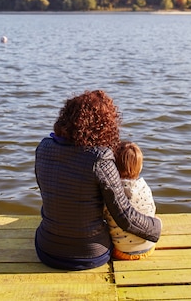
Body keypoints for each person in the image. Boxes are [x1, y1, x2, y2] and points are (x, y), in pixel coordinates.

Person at [34, 89, 162, 270]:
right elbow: (124, 216)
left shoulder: (43, 148)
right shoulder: (100, 158)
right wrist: (155, 227)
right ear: (104, 125)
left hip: (46, 250)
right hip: (90, 255)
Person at [104, 141, 157, 260]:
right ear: (140, 166)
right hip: (149, 247)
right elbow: (152, 209)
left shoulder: (111, 191)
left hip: (121, 252)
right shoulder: (144, 187)